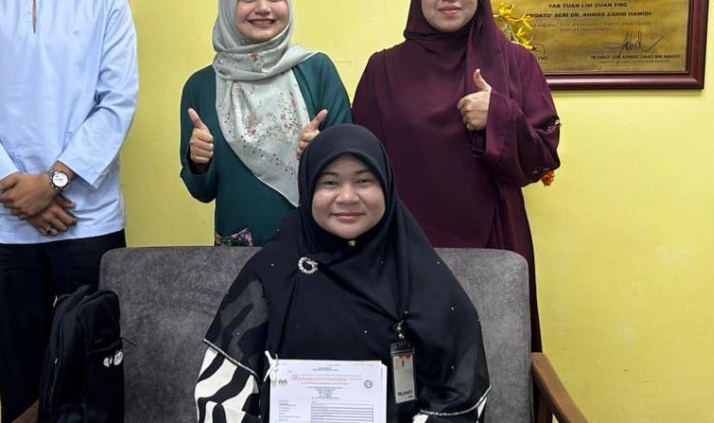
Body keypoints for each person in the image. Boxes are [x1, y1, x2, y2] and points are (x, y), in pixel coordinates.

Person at [195, 125, 490, 423]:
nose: (347, 197)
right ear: (308, 188)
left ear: (386, 186)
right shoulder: (271, 271)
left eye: (364, 181)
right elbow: (218, 398)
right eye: (330, 183)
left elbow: (460, 400)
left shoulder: (422, 277)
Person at [0, 0, 138, 420]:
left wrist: (52, 183)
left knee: (96, 375)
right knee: (18, 378)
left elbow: (117, 100)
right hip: (2, 223)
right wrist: (17, 189)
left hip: (88, 219)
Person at [352, 0, 561, 352]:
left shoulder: (517, 63)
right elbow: (363, 161)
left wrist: (499, 116)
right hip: (404, 246)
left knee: (497, 355)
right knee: (408, 362)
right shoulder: (383, 69)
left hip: (495, 238)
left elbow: (543, 156)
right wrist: (320, 149)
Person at [180, 0, 353, 247]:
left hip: (316, 248)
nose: (263, 7)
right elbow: (202, 192)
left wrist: (322, 151)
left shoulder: (317, 71)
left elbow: (350, 172)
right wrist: (199, 162)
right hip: (238, 253)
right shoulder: (202, 86)